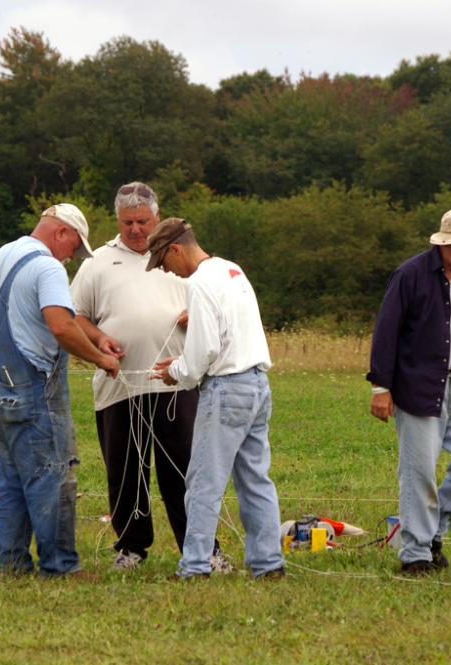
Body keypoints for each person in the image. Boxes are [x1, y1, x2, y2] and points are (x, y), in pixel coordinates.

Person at [0, 203, 120, 579]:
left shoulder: (1, 255)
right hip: (32, 391)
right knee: (54, 474)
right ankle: (60, 566)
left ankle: (11, 565)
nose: (72, 258)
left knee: (13, 478)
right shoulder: (47, 267)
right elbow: (61, 327)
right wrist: (101, 359)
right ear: (60, 232)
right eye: (74, 248)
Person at [71, 182, 226, 573]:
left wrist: (198, 315)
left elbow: (217, 303)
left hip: (178, 384)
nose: (136, 229)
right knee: (124, 470)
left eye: (143, 221)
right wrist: (99, 338)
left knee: (184, 469)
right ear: (117, 221)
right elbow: (75, 318)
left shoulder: (182, 258)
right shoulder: (97, 263)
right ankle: (131, 548)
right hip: (119, 386)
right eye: (128, 222)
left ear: (157, 217)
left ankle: (202, 548)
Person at [148, 218, 285, 580]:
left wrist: (174, 371)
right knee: (256, 480)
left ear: (175, 250)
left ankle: (193, 567)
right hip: (258, 386)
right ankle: (269, 565)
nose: (168, 272)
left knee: (203, 484)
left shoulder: (198, 283)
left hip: (226, 389)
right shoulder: (231, 270)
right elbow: (226, 327)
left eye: (164, 262)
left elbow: (201, 356)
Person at [367, 207, 451, 577]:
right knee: (418, 472)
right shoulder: (409, 274)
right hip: (417, 388)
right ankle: (415, 556)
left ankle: (432, 533)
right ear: (448, 243)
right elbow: (386, 331)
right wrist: (381, 387)